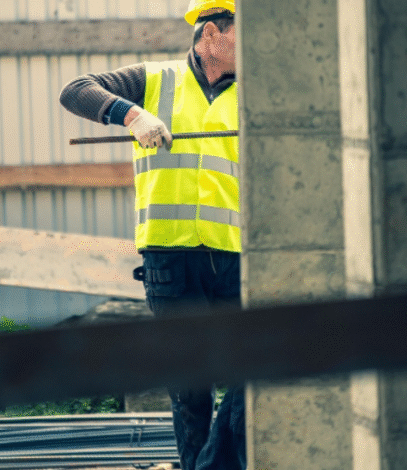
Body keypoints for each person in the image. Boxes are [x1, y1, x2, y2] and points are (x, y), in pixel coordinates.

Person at [59, 1, 245, 469]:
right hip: (170, 260)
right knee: (190, 387)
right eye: (245, 31)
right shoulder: (155, 78)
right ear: (211, 34)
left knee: (252, 373)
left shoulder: (256, 89)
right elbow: (75, 90)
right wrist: (132, 116)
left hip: (237, 258)